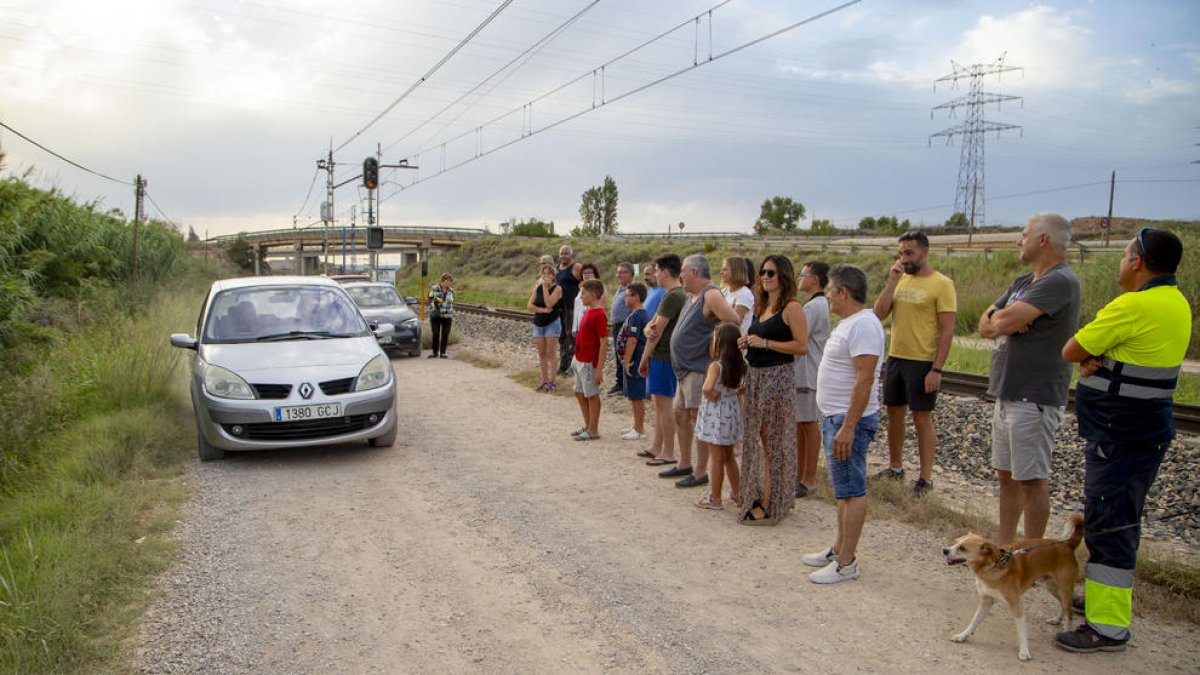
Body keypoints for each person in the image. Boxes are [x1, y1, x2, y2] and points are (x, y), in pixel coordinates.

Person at [1054, 228, 1190, 653]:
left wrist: (1095, 361)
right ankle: (1101, 601)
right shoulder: (1177, 301)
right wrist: (1105, 360)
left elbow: (1072, 350)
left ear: (1137, 262)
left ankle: (1108, 627)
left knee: (1110, 526)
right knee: (1116, 520)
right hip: (1145, 431)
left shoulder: (1132, 305)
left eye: (1125, 254)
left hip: (1120, 433)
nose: (1121, 261)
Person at [977, 213, 1081, 545]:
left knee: (1032, 480)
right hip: (1008, 392)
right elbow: (985, 323)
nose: (1019, 240)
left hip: (1034, 396)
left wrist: (1004, 319)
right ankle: (1006, 549)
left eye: (1024, 234)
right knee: (1007, 478)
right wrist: (1004, 318)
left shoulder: (1059, 281)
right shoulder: (1025, 281)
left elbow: (1001, 323)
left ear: (1044, 239)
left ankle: (1032, 555)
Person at [804, 264, 885, 584]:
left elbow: (864, 379)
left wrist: (849, 425)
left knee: (852, 489)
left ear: (843, 292)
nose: (829, 297)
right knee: (842, 490)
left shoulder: (864, 325)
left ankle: (847, 563)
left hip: (848, 419)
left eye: (831, 291)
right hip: (836, 416)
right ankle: (839, 549)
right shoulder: (851, 323)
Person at [872, 230, 957, 496]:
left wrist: (937, 368)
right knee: (893, 413)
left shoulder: (941, 284)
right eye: (901, 253)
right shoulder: (900, 280)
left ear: (924, 252)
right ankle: (895, 468)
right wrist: (891, 282)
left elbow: (947, 329)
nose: (904, 258)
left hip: (923, 361)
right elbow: (879, 313)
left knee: (921, 418)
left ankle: (925, 478)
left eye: (909, 252)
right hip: (897, 356)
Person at [736, 254, 808, 525]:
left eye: (771, 273)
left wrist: (765, 343)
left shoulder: (791, 307)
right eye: (763, 273)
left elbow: (801, 346)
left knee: (775, 440)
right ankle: (761, 492)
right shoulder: (762, 305)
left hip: (777, 377)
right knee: (760, 438)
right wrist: (749, 343)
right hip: (756, 376)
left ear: (784, 277)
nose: (765, 277)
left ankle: (771, 500)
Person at [666, 255, 742, 489]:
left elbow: (733, 320)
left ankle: (700, 471)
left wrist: (715, 349)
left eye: (683, 272)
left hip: (698, 368)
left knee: (696, 417)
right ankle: (685, 463)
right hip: (684, 368)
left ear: (695, 272)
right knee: (680, 415)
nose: (680, 276)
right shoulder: (692, 295)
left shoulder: (711, 294)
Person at [638, 254, 687, 467]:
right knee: (659, 404)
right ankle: (657, 446)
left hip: (664, 356)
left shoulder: (673, 296)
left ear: (666, 272)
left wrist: (643, 357)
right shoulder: (674, 294)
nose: (655, 274)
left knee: (664, 405)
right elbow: (651, 324)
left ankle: (668, 451)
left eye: (657, 271)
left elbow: (656, 330)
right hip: (665, 356)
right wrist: (648, 328)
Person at [693, 322, 747, 510]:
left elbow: (707, 388)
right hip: (731, 412)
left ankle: (715, 498)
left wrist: (711, 395)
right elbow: (742, 389)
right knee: (729, 456)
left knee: (716, 458)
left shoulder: (716, 366)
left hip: (716, 414)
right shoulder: (741, 365)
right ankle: (738, 492)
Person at [795, 261, 831, 498]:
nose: (800, 278)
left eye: (804, 274)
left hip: (807, 373)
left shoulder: (813, 308)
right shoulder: (815, 305)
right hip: (803, 373)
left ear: (815, 279)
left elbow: (798, 335)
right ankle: (799, 474)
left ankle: (809, 478)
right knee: (801, 424)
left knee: (808, 424)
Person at [570, 278, 608, 442]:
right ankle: (587, 425)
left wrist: (598, 369)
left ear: (593, 295)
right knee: (579, 392)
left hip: (588, 361)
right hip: (579, 358)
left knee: (591, 394)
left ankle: (594, 429)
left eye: (583, 293)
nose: (581, 296)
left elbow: (604, 342)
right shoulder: (587, 311)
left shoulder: (599, 314)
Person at [618, 282, 650, 441]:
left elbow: (632, 341)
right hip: (635, 360)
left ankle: (639, 428)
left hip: (635, 360)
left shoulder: (637, 316)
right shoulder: (636, 314)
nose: (625, 298)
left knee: (637, 396)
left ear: (636, 297)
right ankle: (636, 425)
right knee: (633, 395)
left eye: (628, 295)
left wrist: (626, 360)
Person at [528, 264, 563, 391]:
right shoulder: (537, 288)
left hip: (552, 323)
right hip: (538, 323)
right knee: (541, 353)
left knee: (551, 353)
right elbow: (530, 306)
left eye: (549, 274)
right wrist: (543, 310)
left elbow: (549, 303)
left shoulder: (557, 289)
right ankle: (544, 380)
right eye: (544, 273)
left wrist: (544, 287)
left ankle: (552, 381)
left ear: (553, 276)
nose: (546, 276)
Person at [608, 262, 635, 396]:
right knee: (618, 353)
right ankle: (620, 382)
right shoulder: (621, 288)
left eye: (622, 272)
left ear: (630, 274)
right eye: (618, 272)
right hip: (617, 324)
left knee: (624, 354)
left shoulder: (632, 289)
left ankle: (624, 384)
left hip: (625, 324)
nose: (619, 275)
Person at [556, 245, 583, 375]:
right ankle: (563, 365)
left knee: (571, 337)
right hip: (559, 308)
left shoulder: (576, 267)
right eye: (562, 253)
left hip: (571, 307)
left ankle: (572, 368)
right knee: (562, 337)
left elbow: (584, 283)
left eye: (566, 253)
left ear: (571, 255)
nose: (564, 256)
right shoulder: (557, 269)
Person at [719, 256, 755, 335]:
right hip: (721, 337)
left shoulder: (744, 294)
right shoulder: (724, 292)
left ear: (736, 271)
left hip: (736, 342)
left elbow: (734, 322)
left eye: (725, 269)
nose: (721, 273)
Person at [572, 263, 607, 333]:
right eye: (585, 273)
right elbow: (577, 309)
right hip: (580, 324)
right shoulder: (581, 288)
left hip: (591, 323)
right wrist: (574, 327)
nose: (587, 275)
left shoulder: (600, 288)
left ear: (595, 274)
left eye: (590, 272)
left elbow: (602, 306)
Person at [427, 273, 455, 358]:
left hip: (447, 316)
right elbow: (429, 300)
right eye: (448, 281)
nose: (449, 283)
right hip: (436, 315)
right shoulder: (434, 288)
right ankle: (434, 352)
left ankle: (443, 352)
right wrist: (435, 304)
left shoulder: (451, 291)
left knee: (445, 334)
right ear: (443, 280)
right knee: (435, 334)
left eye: (450, 281)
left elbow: (451, 302)